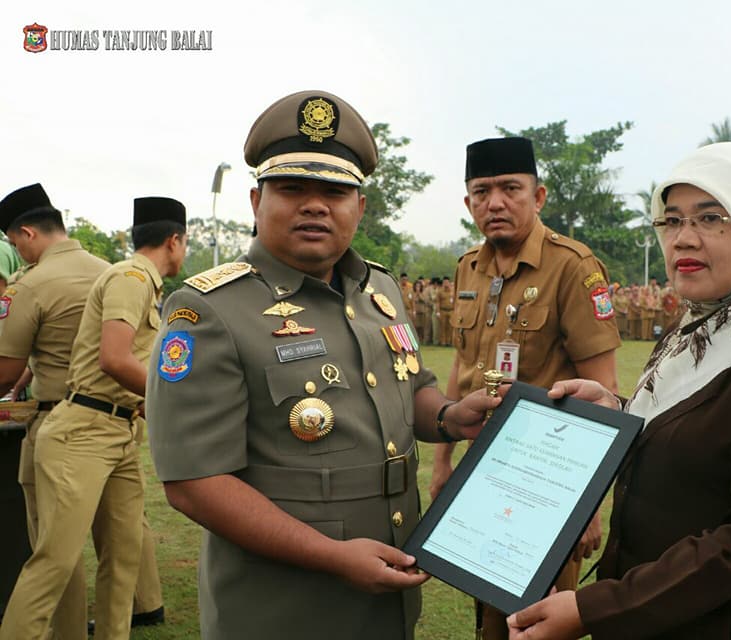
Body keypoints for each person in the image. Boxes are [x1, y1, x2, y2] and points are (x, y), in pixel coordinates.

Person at [145, 90, 498, 640]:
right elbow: (194, 482)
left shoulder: (379, 290)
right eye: (292, 189)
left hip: (389, 590)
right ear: (256, 200)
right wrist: (332, 556)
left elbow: (412, 390)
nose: (315, 205)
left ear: (360, 207)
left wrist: (450, 417)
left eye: (335, 191)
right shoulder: (208, 310)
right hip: (282, 607)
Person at [506, 142, 731, 640]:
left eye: (711, 218)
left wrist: (597, 608)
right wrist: (619, 413)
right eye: (671, 221)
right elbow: (698, 436)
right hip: (658, 616)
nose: (683, 239)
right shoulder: (697, 327)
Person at [430, 136, 620, 640]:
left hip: (547, 483)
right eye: (481, 192)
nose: (495, 203)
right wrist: (444, 463)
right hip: (482, 471)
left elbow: (604, 392)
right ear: (468, 202)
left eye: (510, 189)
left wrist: (586, 508)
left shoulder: (573, 266)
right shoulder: (468, 267)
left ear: (538, 197)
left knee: (536, 621)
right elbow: (463, 364)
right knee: (488, 611)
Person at [0, 196, 186, 640]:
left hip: (116, 427)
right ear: (175, 241)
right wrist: (174, 401)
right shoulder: (126, 276)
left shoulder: (139, 280)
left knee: (122, 560)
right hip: (81, 430)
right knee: (54, 562)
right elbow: (114, 358)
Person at [437, 275, 455, 345]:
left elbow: (455, 301)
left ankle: (450, 341)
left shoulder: (453, 291)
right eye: (444, 283)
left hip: (451, 311)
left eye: (447, 282)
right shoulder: (440, 291)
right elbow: (438, 302)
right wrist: (438, 312)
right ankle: (443, 342)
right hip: (443, 311)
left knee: (451, 327)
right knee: (443, 327)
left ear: (449, 283)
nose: (446, 284)